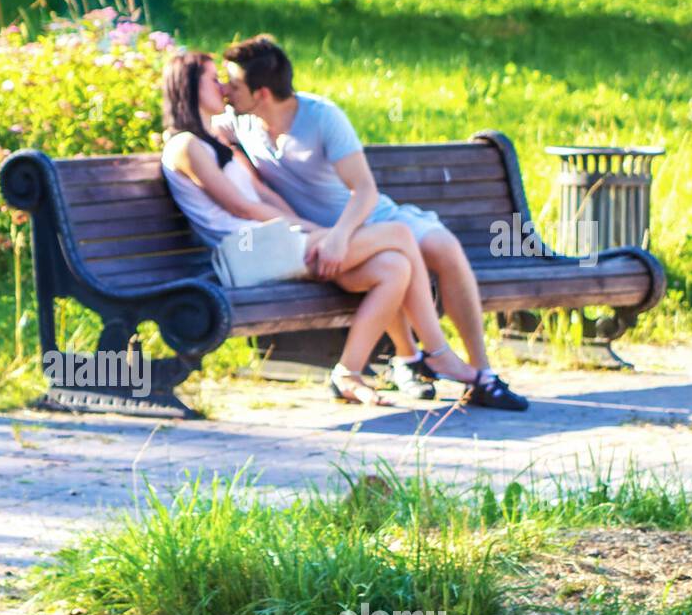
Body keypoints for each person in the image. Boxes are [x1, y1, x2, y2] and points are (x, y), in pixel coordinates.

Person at [214, 34, 529, 411]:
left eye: (233, 84)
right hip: (321, 236)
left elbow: (364, 190)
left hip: (366, 219)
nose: (225, 90)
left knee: (442, 246)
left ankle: (481, 372)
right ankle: (414, 358)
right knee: (392, 262)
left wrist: (340, 237)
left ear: (261, 92)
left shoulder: (321, 116)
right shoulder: (240, 122)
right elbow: (195, 124)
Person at [162, 51, 480, 404]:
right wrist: (319, 234)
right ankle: (436, 352)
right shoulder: (185, 146)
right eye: (213, 79)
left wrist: (317, 233)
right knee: (400, 235)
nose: (223, 88)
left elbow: (263, 194)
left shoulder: (217, 140)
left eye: (228, 82)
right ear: (189, 87)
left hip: (275, 243)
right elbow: (241, 207)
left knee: (395, 267)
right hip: (245, 253)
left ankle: (348, 373)